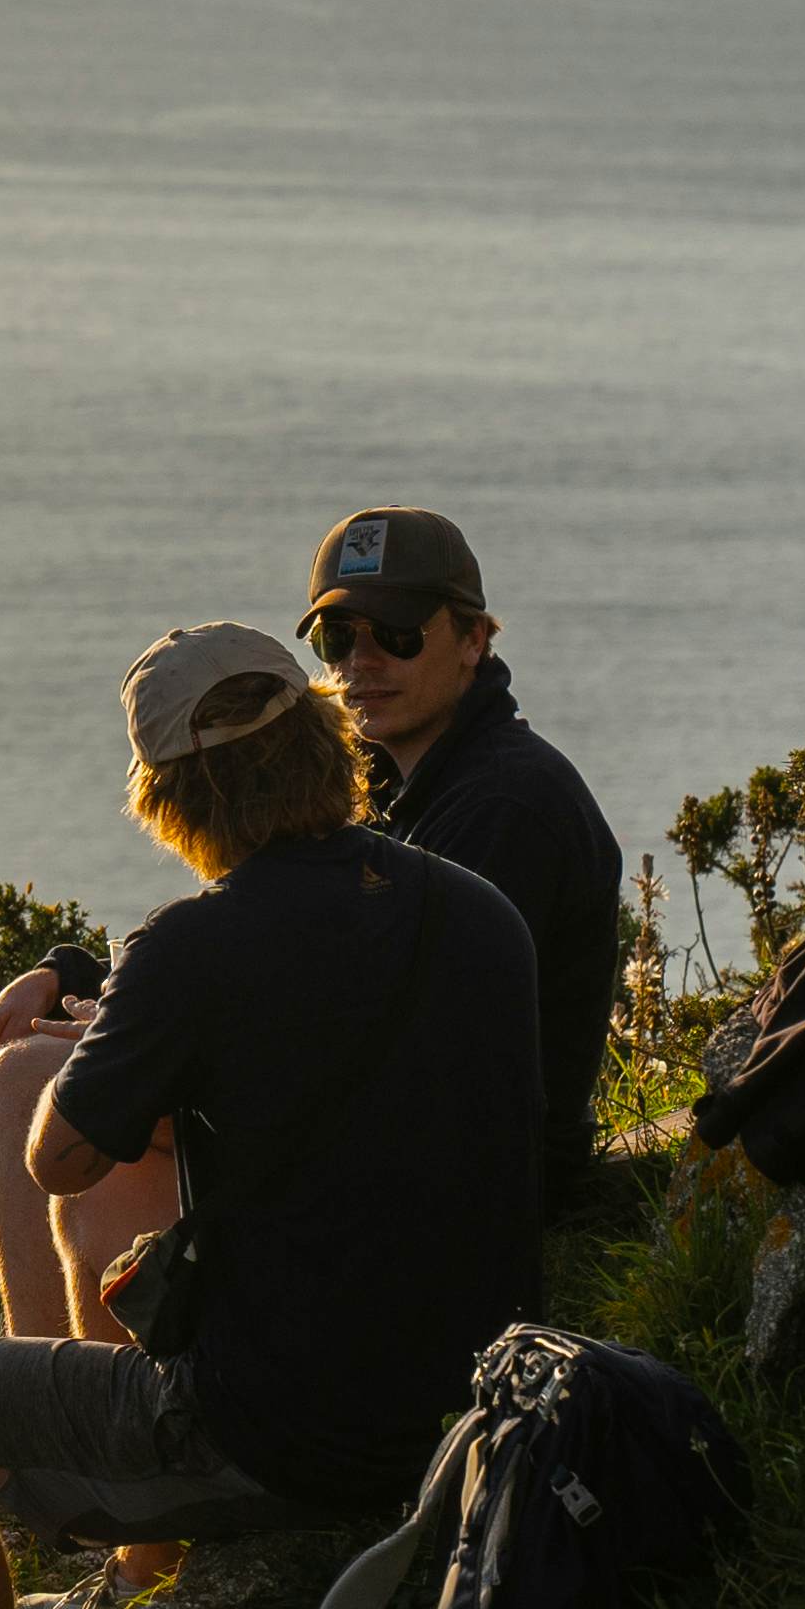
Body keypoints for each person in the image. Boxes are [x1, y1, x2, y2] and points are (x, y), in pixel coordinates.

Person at [0, 627, 538, 1609]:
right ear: (328, 739)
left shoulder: (195, 945)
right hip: (472, 1409)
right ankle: (128, 1584)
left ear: (168, 799)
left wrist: (126, 1039)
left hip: (285, 1437)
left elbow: (58, 1159)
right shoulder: (477, 912)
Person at [297, 504, 624, 1216]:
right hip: (409, 1153)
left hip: (477, 1189)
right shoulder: (380, 784)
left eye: (397, 633)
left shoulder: (505, 806)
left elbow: (393, 1035)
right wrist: (87, 975)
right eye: (337, 637)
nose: (362, 661)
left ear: (473, 638)